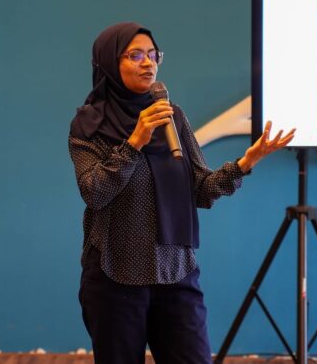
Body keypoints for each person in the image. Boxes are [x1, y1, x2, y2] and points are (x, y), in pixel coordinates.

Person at [69, 22, 295, 364]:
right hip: (116, 274)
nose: (148, 63)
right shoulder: (89, 126)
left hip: (175, 270)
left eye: (153, 54)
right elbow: (95, 192)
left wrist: (246, 162)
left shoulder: (173, 117)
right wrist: (134, 142)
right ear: (109, 64)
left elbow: (202, 190)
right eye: (135, 55)